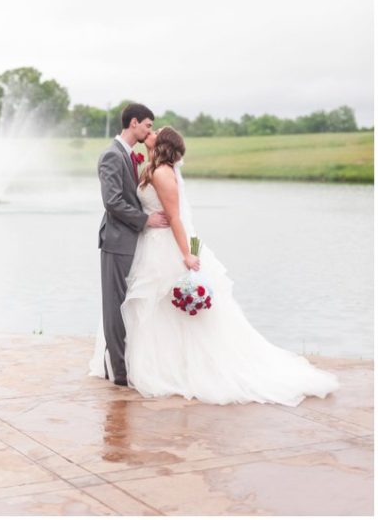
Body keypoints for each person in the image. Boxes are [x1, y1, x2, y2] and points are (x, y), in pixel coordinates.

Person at [91, 126, 339, 405]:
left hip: (164, 246)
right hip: (148, 245)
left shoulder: (162, 173)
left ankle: (175, 368)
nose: (153, 130)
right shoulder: (152, 167)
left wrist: (186, 255)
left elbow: (175, 218)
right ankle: (153, 365)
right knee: (147, 309)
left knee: (160, 307)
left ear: (162, 143)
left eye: (156, 130)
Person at [94, 103, 170, 386]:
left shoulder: (128, 155)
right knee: (115, 306)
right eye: (148, 125)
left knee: (126, 304)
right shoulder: (112, 156)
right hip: (117, 240)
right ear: (134, 123)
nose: (150, 130)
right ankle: (118, 372)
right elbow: (112, 202)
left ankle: (118, 364)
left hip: (130, 240)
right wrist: (145, 220)